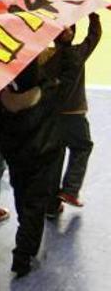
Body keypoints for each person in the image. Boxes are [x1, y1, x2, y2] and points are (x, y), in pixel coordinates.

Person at [0, 51, 82, 277]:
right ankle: (22, 256)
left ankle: (24, 247)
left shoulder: (2, 102)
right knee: (34, 209)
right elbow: (71, 72)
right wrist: (65, 46)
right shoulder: (48, 95)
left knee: (23, 202)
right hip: (44, 160)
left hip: (17, 161)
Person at [44, 13, 101, 210]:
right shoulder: (78, 53)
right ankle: (70, 189)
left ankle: (51, 204)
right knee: (83, 147)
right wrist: (93, 15)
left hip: (52, 117)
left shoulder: (47, 58)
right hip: (75, 114)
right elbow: (94, 36)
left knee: (55, 156)